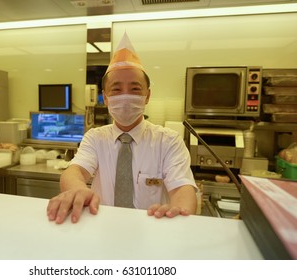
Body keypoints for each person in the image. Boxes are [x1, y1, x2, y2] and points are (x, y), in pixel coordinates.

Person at [47, 33, 197, 224]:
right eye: (116, 89)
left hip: (152, 233)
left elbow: (182, 188)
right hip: (102, 230)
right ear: (106, 97)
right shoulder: (95, 138)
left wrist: (180, 209)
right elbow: (74, 171)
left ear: (148, 96)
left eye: (135, 89)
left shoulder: (168, 141)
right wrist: (77, 188)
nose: (125, 97)